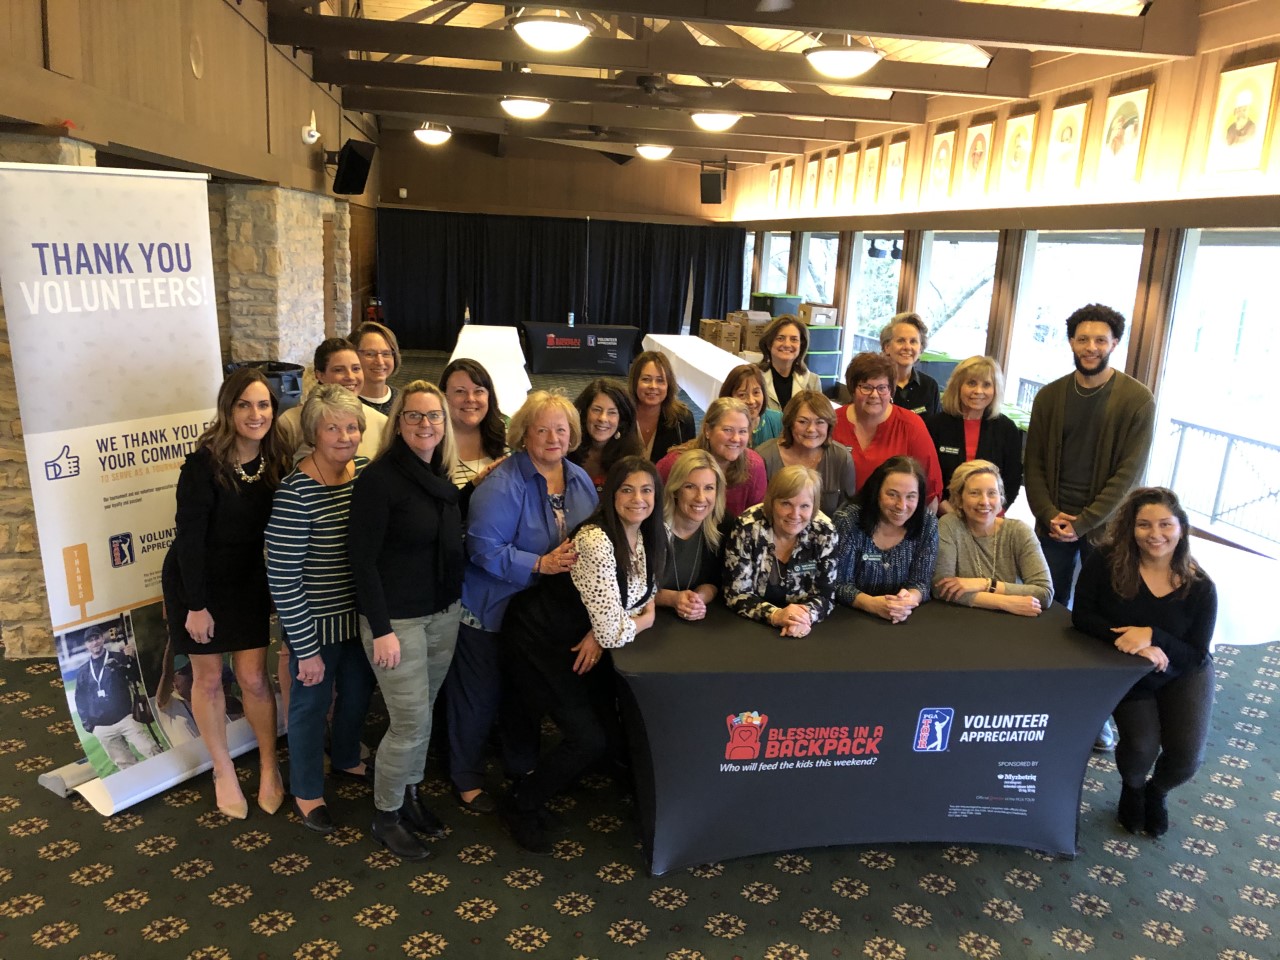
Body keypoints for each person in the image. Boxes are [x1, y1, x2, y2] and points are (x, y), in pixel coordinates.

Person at [444, 391, 598, 815]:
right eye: (542, 429)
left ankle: (520, 768)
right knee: (479, 697)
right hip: (491, 609)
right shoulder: (502, 484)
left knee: (524, 695)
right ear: (523, 434)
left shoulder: (579, 478)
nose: (553, 438)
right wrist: (541, 563)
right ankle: (466, 776)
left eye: (561, 430)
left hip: (544, 617)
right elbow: (481, 549)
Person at [500, 456, 666, 853]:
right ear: (611, 494)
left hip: (576, 639)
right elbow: (628, 618)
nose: (638, 499)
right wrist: (641, 622)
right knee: (588, 740)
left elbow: (643, 592)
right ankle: (520, 804)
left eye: (646, 490)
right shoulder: (595, 539)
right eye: (627, 489)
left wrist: (606, 628)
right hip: (538, 641)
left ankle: (540, 788)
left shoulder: (642, 532)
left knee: (605, 732)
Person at [161, 367, 291, 819]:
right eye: (244, 405)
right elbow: (189, 539)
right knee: (210, 678)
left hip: (247, 580)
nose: (255, 414)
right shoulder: (204, 464)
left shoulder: (278, 460)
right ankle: (223, 770)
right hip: (198, 581)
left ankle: (270, 766)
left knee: (255, 678)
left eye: (264, 405)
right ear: (228, 409)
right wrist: (196, 606)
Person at [348, 381, 463, 860]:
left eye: (434, 416)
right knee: (410, 723)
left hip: (443, 613)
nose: (425, 424)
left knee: (425, 710)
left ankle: (411, 793)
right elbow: (362, 561)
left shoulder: (439, 475)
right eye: (414, 416)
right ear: (398, 423)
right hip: (397, 622)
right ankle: (386, 815)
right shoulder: (380, 479)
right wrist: (383, 629)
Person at [1072, 488, 1217, 837]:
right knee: (1141, 747)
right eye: (1144, 525)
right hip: (1128, 669)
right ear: (1130, 528)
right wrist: (1129, 644)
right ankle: (1134, 788)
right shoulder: (1105, 562)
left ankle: (1157, 792)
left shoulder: (1200, 586)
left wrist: (1152, 634)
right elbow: (1082, 617)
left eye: (1166, 524)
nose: (1156, 534)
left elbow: (1196, 653)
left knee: (1186, 758)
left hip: (1184, 671)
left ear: (1181, 528)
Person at [266, 385, 376, 835]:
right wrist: (305, 649)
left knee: (358, 693)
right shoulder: (294, 494)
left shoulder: (365, 474)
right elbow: (283, 578)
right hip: (315, 626)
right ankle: (307, 790)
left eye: (352, 427)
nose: (345, 436)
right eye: (333, 427)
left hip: (361, 617)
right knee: (310, 707)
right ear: (314, 432)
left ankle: (347, 755)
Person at [1024, 303, 1155, 607]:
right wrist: (1047, 513)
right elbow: (1033, 463)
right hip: (1052, 521)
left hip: (1107, 525)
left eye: (1100, 340)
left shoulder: (1137, 400)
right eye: (1082, 339)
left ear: (1114, 344)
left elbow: (1129, 474)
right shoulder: (1049, 396)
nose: (1090, 347)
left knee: (1101, 605)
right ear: (1071, 342)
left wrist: (1084, 522)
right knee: (1046, 601)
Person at [723, 465, 838, 637]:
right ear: (771, 502)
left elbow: (826, 594)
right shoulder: (747, 527)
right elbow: (736, 594)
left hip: (804, 628)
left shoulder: (825, 531)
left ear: (814, 507)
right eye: (786, 503)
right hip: (748, 628)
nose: (795, 514)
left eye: (805, 506)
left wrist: (804, 617)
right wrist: (776, 615)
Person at [933, 460, 1053, 617]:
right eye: (974, 493)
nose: (984, 501)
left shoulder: (1020, 531)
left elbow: (1044, 593)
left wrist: (985, 584)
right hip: (963, 619)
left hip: (1013, 622)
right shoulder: (949, 525)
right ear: (959, 499)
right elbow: (941, 588)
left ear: (1001, 498)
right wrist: (1004, 602)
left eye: (992, 493)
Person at [833, 456, 939, 623]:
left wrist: (908, 600)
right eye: (892, 495)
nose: (901, 505)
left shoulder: (927, 523)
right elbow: (838, 584)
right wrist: (872, 604)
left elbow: (921, 582)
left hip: (903, 617)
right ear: (877, 493)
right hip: (849, 620)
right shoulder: (849, 520)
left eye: (911, 496)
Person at [833, 352, 943, 507]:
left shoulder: (911, 425)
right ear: (852, 389)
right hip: (836, 518)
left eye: (882, 388)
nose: (874, 395)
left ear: (891, 390)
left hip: (895, 521)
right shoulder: (831, 422)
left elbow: (930, 491)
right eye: (866, 387)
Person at [925, 356, 1024, 513]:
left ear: (995, 389)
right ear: (958, 386)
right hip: (943, 516)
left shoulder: (1007, 429)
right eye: (971, 383)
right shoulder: (935, 425)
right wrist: (951, 514)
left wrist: (994, 513)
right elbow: (927, 476)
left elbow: (1012, 480)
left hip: (990, 517)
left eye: (986, 385)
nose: (978, 391)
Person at [276, 337, 388, 461]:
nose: (350, 377)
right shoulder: (290, 422)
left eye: (356, 369)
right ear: (320, 375)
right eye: (339, 370)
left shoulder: (381, 423)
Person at [656, 397, 766, 519]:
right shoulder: (674, 463)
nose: (736, 438)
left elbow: (755, 518)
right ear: (708, 430)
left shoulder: (754, 465)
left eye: (743, 431)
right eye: (728, 430)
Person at [73, 626, 162, 770]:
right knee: (125, 764)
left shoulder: (119, 657)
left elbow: (137, 678)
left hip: (126, 718)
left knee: (150, 749)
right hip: (101, 726)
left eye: (96, 638)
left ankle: (167, 775)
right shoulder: (83, 671)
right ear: (86, 645)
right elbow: (80, 699)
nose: (94, 643)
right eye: (90, 640)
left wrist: (132, 659)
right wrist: (89, 726)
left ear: (102, 639)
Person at [756, 391, 857, 517]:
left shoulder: (841, 457)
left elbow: (847, 511)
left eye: (820, 422)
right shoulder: (764, 457)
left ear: (829, 425)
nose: (811, 429)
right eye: (803, 422)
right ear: (790, 423)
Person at [656, 449, 725, 622]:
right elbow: (631, 589)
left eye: (709, 488)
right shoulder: (651, 526)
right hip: (648, 622)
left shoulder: (723, 525)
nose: (700, 498)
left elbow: (714, 581)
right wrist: (673, 599)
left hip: (692, 625)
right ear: (675, 490)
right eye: (690, 487)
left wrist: (698, 600)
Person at [438, 357, 506, 489]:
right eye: (460, 391)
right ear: (444, 397)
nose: (470, 399)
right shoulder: (431, 443)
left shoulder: (508, 435)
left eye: (479, 391)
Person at [568, 378, 642, 494]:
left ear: (621, 419)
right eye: (597, 410)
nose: (603, 418)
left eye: (612, 412)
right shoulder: (568, 447)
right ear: (585, 413)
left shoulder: (630, 456)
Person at [629, 351, 695, 462]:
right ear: (635, 382)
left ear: (668, 385)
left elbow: (687, 465)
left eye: (660, 380)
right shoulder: (620, 414)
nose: (653, 386)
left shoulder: (683, 420)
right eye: (646, 379)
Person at [756, 316, 822, 413]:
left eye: (794, 339)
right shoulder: (754, 378)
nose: (787, 344)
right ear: (769, 344)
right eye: (780, 338)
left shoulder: (812, 382)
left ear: (801, 346)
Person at [881, 313, 940, 416]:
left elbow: (936, 429)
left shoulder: (930, 386)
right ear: (887, 347)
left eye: (913, 341)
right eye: (901, 341)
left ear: (921, 348)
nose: (907, 347)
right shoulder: (874, 385)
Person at [718, 363, 782, 447]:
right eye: (742, 395)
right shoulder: (718, 424)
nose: (751, 401)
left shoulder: (779, 420)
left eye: (756, 393)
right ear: (729, 396)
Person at [352, 320, 402, 415]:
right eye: (370, 354)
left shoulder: (403, 401)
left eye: (386, 354)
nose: (379, 361)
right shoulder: (344, 404)